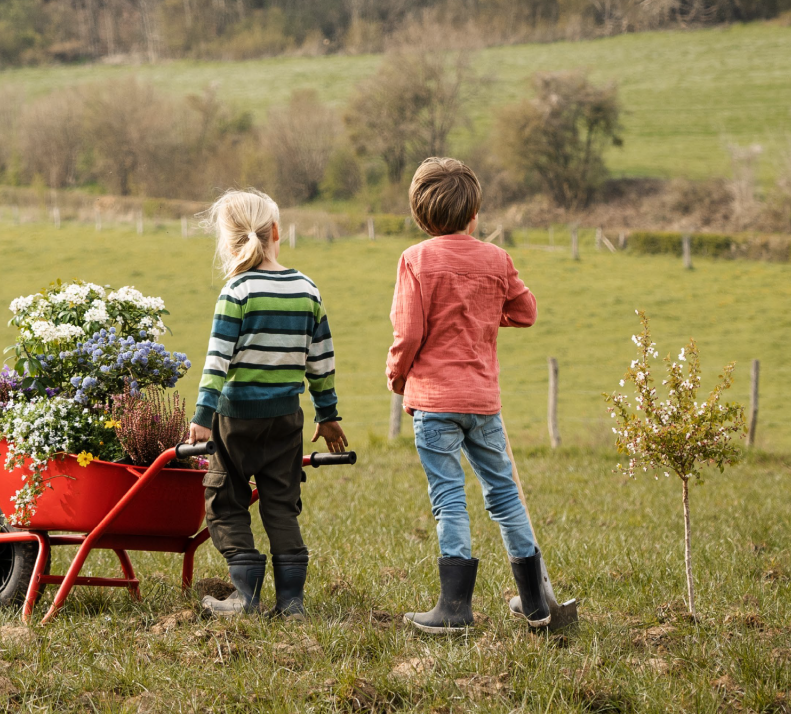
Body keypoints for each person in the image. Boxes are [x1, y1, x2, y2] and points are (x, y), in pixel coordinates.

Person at [386, 157, 562, 633]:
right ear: (474, 213)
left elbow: (409, 331)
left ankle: (455, 610)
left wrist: (397, 375)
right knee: (504, 494)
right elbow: (525, 312)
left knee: (449, 498)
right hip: (483, 402)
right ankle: (536, 604)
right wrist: (482, 315)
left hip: (434, 401)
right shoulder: (496, 259)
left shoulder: (415, 260)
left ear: (421, 216)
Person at [187, 188, 347, 617]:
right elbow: (321, 362)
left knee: (224, 502)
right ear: (278, 231)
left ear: (228, 240)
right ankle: (291, 602)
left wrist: (203, 417)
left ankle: (246, 595)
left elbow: (217, 361)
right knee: (281, 505)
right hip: (286, 421)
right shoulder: (306, 289)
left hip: (236, 421)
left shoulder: (236, 292)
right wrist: (328, 416)